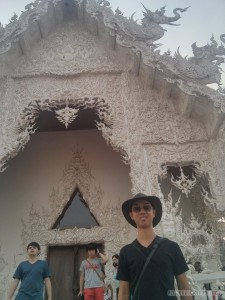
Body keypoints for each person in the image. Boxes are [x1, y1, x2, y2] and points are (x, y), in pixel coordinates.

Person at [117, 193, 193, 300]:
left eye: (147, 207)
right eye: (137, 209)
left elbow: (183, 286)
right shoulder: (126, 252)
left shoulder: (172, 247)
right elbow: (124, 292)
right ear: (131, 215)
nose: (142, 211)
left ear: (153, 212)